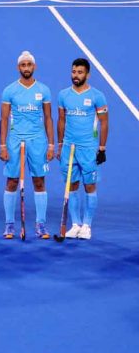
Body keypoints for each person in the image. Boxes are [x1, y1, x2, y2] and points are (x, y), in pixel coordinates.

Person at [0, 51, 54, 239]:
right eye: (23, 65)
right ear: (18, 68)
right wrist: (3, 146)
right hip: (15, 141)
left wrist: (51, 145)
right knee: (12, 181)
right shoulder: (9, 90)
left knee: (39, 181)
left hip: (38, 141)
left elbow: (48, 118)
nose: (26, 68)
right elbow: (4, 119)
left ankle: (41, 225)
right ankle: (9, 225)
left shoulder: (44, 90)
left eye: (29, 64)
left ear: (34, 66)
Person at [56, 58, 109, 240]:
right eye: (73, 72)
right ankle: (75, 224)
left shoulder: (97, 96)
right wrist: (60, 144)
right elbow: (61, 120)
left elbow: (104, 122)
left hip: (88, 149)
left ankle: (87, 225)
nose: (76, 75)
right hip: (69, 149)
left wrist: (101, 148)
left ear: (87, 74)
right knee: (71, 185)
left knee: (90, 186)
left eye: (79, 72)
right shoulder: (63, 95)